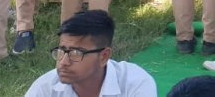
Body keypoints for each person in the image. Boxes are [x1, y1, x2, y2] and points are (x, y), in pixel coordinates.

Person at [26, 10, 156, 97]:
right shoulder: (46, 88)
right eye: (61, 51)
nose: (63, 62)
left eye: (75, 53)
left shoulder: (134, 84)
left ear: (104, 56)